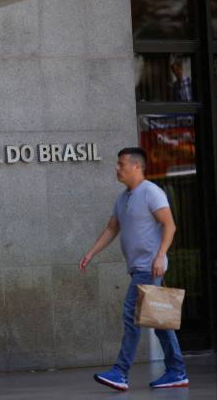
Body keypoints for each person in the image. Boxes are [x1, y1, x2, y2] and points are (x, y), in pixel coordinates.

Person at [79, 148, 188, 391]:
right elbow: (111, 229)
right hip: (139, 268)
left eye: (121, 164)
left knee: (131, 317)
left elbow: (169, 226)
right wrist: (91, 252)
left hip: (148, 268)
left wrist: (160, 257)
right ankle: (177, 371)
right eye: (117, 164)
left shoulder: (151, 192)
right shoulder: (122, 198)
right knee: (159, 321)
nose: (117, 168)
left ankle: (120, 372)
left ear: (137, 167)